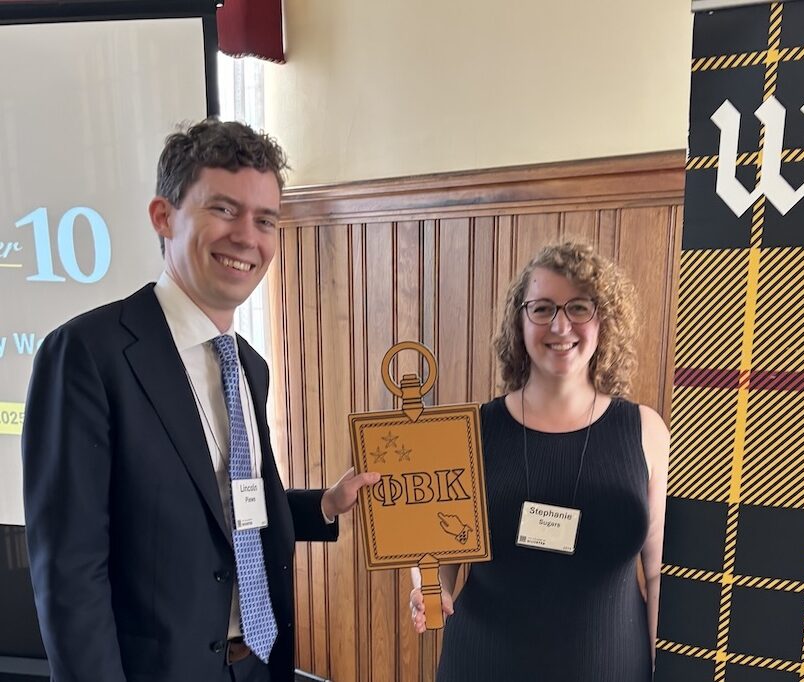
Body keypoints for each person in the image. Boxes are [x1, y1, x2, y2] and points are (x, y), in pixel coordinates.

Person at [22, 119, 378, 682]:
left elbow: (228, 507)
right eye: (224, 210)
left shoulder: (248, 366)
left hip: (258, 663)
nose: (247, 237)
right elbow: (69, 572)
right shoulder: (89, 354)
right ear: (164, 217)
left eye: (265, 220)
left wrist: (324, 506)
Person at [410, 242, 669, 681]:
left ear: (603, 319)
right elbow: (439, 557)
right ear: (520, 320)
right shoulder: (471, 430)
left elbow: (659, 573)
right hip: (485, 664)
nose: (561, 324)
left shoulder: (646, 430)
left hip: (613, 667)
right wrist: (428, 590)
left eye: (579, 308)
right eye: (543, 308)